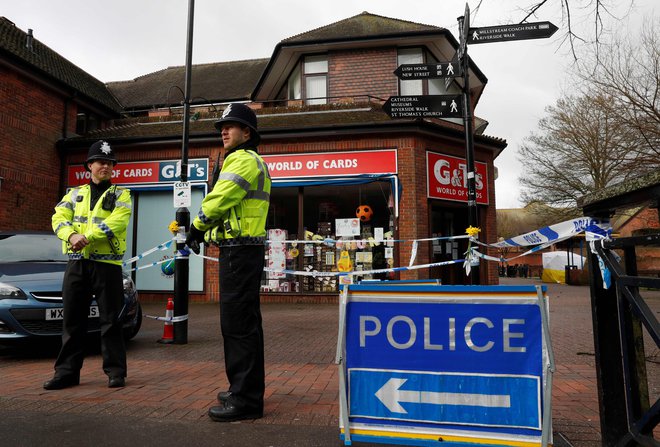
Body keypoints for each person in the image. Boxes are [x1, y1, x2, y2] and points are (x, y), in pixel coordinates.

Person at [185, 103, 271, 422]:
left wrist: (196, 228)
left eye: (230, 126)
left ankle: (246, 400)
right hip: (238, 249)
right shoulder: (244, 159)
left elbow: (219, 200)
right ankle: (244, 389)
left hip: (240, 252)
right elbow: (231, 211)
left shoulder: (243, 160)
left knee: (237, 326)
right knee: (243, 324)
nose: (223, 131)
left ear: (246, 132)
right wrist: (206, 236)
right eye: (222, 126)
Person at [44, 140, 132, 390]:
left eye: (110, 162)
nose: (106, 166)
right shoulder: (73, 193)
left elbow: (118, 222)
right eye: (101, 162)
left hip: (107, 265)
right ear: (89, 166)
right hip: (77, 263)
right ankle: (66, 373)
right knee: (72, 320)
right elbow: (58, 218)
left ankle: (116, 372)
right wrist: (71, 236)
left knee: (111, 320)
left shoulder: (121, 194)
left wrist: (87, 237)